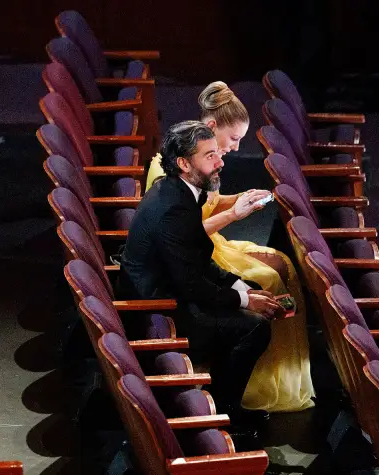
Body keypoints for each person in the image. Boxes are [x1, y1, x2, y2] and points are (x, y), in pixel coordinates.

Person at [145, 83, 314, 412]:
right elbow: (181, 236)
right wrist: (234, 214)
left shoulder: (203, 158)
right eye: (233, 138)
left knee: (283, 264)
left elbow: (209, 204)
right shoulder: (171, 172)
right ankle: (244, 387)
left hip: (206, 247)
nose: (236, 147)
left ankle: (264, 376)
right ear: (211, 127)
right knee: (268, 281)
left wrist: (240, 199)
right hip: (186, 261)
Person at [120, 121, 282, 428]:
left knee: (251, 286)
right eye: (210, 156)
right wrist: (245, 301)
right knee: (255, 329)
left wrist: (240, 287)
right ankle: (225, 412)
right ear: (184, 163)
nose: (221, 162)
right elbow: (190, 284)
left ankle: (222, 396)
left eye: (217, 153)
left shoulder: (180, 190)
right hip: (159, 309)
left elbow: (197, 258)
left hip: (173, 288)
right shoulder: (174, 207)